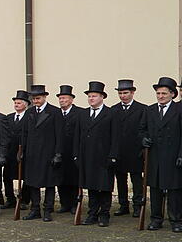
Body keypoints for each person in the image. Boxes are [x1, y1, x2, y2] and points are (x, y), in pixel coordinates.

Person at [73, 81, 119, 227]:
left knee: (104, 186)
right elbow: (77, 136)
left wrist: (113, 155)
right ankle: (92, 213)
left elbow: (116, 137)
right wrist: (76, 154)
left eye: (94, 96)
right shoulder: (83, 114)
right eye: (89, 96)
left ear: (102, 97)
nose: (91, 98)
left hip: (104, 156)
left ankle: (104, 214)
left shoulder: (111, 113)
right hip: (87, 156)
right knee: (91, 186)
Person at [140, 77, 182, 232]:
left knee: (174, 190)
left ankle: (176, 220)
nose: (160, 96)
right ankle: (156, 219)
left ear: (172, 94)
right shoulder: (149, 110)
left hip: (173, 155)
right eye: (158, 93)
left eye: (164, 93)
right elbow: (142, 129)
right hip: (155, 156)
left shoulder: (179, 110)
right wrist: (143, 139)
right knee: (156, 189)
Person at [21, 85, 63, 222]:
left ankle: (48, 210)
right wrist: (22, 151)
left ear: (45, 97)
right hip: (32, 154)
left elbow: (59, 134)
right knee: (32, 183)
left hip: (48, 153)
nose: (35, 101)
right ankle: (35, 209)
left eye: (38, 98)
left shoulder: (55, 112)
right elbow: (24, 134)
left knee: (49, 183)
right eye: (33, 99)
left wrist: (58, 153)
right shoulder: (29, 112)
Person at [112, 79, 147, 217]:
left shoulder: (142, 109)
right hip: (119, 152)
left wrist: (142, 149)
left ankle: (138, 205)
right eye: (120, 93)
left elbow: (144, 129)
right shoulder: (114, 109)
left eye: (125, 93)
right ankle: (123, 205)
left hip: (135, 152)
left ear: (132, 92)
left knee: (137, 180)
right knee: (121, 180)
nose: (123, 96)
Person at [2, 91, 31, 209]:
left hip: (25, 151)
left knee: (26, 176)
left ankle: (24, 200)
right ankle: (10, 199)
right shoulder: (8, 118)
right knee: (7, 176)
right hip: (10, 152)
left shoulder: (30, 117)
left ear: (25, 104)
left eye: (19, 103)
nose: (16, 105)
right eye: (15, 103)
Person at [56, 85, 82, 214]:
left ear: (71, 99)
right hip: (59, 151)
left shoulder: (79, 113)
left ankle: (74, 204)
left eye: (64, 98)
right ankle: (64, 203)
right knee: (61, 179)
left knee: (74, 179)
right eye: (60, 98)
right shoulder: (55, 113)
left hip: (73, 150)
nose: (62, 101)